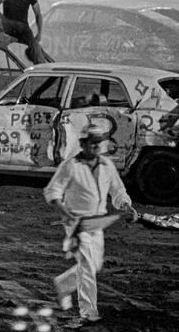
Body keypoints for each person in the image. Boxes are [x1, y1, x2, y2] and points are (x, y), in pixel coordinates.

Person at [43, 124, 137, 326]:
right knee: (87, 267)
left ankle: (63, 284)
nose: (96, 145)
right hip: (76, 222)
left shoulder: (107, 165)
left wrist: (126, 205)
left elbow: (117, 190)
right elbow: (52, 192)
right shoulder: (70, 166)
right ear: (83, 144)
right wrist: (64, 213)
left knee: (93, 265)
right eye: (92, 142)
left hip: (98, 222)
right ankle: (88, 313)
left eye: (99, 141)